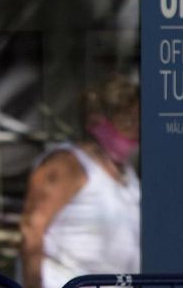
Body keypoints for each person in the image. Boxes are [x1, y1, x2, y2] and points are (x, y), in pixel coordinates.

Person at [19, 74, 140, 288]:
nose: (135, 129)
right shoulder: (67, 163)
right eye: (126, 120)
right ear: (96, 121)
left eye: (137, 120)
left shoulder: (125, 171)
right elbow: (32, 229)